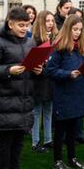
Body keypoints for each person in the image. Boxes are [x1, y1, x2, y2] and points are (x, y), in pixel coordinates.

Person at [0, 6, 42, 169]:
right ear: (10, 24)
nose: (24, 28)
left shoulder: (30, 42)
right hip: (7, 99)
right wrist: (8, 70)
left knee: (18, 142)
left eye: (27, 25)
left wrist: (39, 70)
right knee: (6, 142)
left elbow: (33, 65)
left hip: (25, 98)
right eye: (21, 25)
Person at [44, 14, 84, 169]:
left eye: (80, 30)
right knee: (60, 130)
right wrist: (67, 74)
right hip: (63, 93)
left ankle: (72, 158)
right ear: (68, 29)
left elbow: (82, 68)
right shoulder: (59, 47)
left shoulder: (80, 48)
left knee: (73, 127)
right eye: (75, 29)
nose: (78, 33)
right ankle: (57, 161)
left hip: (77, 92)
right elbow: (50, 70)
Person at [30, 11, 57, 152]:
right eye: (47, 21)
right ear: (41, 22)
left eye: (52, 21)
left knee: (49, 110)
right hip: (38, 80)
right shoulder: (35, 39)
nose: (50, 24)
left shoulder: (54, 39)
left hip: (50, 79)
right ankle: (35, 142)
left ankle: (48, 139)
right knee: (36, 111)